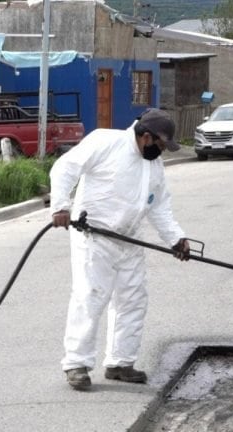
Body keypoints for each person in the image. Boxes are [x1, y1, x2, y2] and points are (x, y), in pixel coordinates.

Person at [49, 108, 191, 390]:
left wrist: (176, 238)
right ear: (145, 136)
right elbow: (65, 168)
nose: (161, 151)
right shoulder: (105, 142)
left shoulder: (154, 165)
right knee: (90, 298)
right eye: (160, 145)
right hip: (94, 236)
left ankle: (120, 363)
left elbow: (159, 206)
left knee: (133, 301)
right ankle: (76, 364)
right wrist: (61, 206)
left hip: (130, 240)